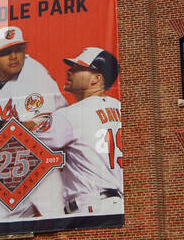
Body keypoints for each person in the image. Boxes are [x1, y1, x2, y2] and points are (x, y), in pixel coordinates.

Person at [0, 25, 67, 220]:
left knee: (61, 225)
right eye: (6, 52)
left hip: (53, 164)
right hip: (25, 165)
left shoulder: (33, 75)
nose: (14, 56)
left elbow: (30, 128)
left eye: (18, 49)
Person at [26, 47, 123, 218]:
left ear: (96, 78)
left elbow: (26, 136)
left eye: (78, 68)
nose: (70, 70)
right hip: (118, 206)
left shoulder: (73, 114)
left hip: (91, 206)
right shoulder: (121, 108)